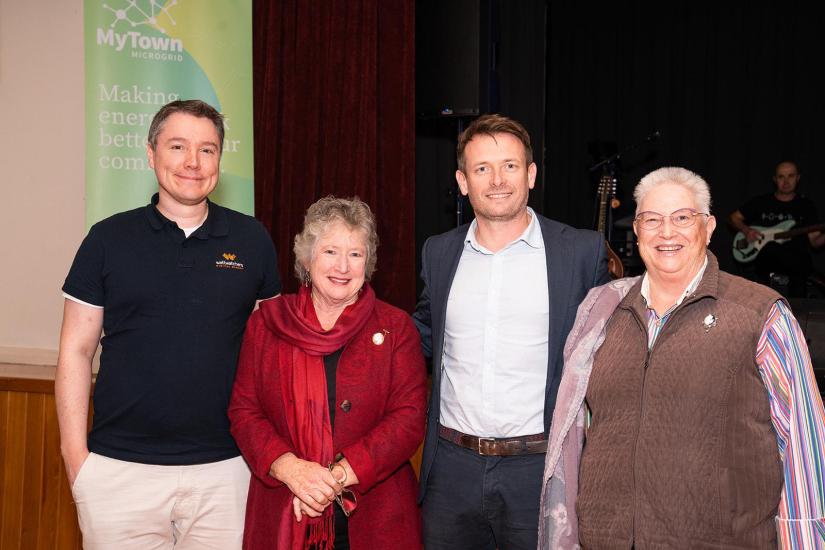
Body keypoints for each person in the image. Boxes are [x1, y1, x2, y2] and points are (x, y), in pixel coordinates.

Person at [539, 166, 825, 549]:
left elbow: (802, 445)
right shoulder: (602, 314)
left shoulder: (761, 314)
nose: (667, 232)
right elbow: (579, 438)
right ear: (637, 231)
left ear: (707, 228)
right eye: (652, 220)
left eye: (682, 218)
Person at [56, 99, 281, 549]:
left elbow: (273, 354)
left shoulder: (252, 239)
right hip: (119, 471)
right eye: (178, 146)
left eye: (207, 149)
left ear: (220, 158)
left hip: (228, 471)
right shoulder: (107, 239)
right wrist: (77, 460)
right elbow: (75, 352)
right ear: (151, 153)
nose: (192, 163)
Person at [412, 114, 609, 549]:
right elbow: (421, 333)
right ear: (463, 181)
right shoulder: (439, 252)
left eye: (510, 166)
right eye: (482, 168)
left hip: (538, 469)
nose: (497, 180)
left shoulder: (579, 251)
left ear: (531, 174)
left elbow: (608, 351)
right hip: (452, 470)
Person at [228, 196, 427, 550]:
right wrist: (291, 470)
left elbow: (408, 420)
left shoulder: (396, 328)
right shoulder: (268, 323)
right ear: (307, 258)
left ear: (368, 264)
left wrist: (330, 481)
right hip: (284, 507)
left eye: (355, 254)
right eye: (331, 251)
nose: (343, 266)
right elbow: (244, 412)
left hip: (378, 517)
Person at [729, 160, 825, 297]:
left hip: (797, 260)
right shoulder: (762, 202)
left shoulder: (806, 206)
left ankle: (794, 312)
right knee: (772, 247)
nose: (786, 181)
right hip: (767, 258)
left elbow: (815, 241)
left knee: (800, 262)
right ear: (775, 179)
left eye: (791, 176)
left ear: (798, 178)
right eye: (781, 177)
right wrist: (746, 230)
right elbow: (733, 218)